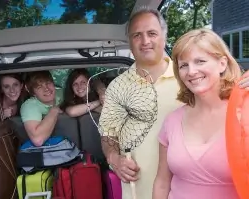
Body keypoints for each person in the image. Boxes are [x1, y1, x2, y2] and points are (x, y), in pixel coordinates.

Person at [98, 6, 182, 199]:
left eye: (152, 33)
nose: (145, 41)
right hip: (138, 192)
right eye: (137, 35)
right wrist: (114, 159)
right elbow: (108, 134)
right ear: (130, 42)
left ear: (164, 36)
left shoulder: (188, 77)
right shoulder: (117, 87)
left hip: (186, 190)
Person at [152, 28, 242, 199]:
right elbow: (162, 182)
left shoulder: (243, 115)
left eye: (200, 61)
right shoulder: (172, 120)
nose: (191, 71)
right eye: (184, 65)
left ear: (222, 64)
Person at [20, 71, 61, 146]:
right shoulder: (30, 106)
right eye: (39, 87)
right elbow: (38, 140)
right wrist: (54, 111)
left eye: (48, 83)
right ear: (33, 93)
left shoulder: (61, 93)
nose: (46, 89)